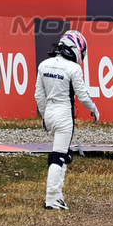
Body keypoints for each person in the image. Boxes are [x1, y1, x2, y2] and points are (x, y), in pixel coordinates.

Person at [35, 30, 99, 211]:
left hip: (50, 112)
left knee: (63, 153)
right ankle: (52, 198)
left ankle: (58, 196)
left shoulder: (44, 64)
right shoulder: (74, 68)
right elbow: (83, 95)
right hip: (64, 114)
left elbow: (39, 95)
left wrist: (45, 116)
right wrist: (94, 109)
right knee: (59, 156)